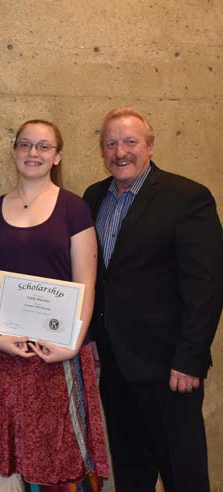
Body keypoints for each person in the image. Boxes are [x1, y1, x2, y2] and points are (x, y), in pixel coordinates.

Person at [0, 120, 109, 491]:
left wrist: (72, 343)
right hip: (2, 354)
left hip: (57, 355)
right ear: (14, 152)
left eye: (43, 146)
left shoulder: (74, 208)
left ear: (57, 155)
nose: (33, 153)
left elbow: (86, 281)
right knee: (3, 464)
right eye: (25, 145)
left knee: (57, 460)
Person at [83, 107, 223, 492]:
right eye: (110, 143)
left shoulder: (187, 197)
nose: (120, 151)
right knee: (131, 473)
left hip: (170, 370)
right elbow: (100, 279)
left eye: (130, 142)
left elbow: (206, 287)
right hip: (115, 365)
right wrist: (93, 337)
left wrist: (189, 359)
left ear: (150, 146)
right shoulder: (95, 197)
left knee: (184, 474)